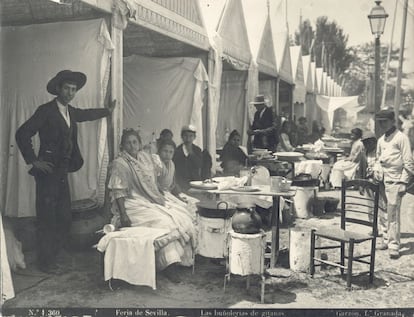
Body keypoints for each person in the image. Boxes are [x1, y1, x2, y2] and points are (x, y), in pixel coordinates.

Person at [15, 70, 116, 274]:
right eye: (67, 88)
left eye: (73, 89)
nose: (70, 93)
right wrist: (34, 161)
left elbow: (86, 115)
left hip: (61, 174)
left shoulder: (70, 111)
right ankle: (46, 262)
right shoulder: (46, 111)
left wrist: (107, 111)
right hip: (47, 174)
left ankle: (53, 255)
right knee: (47, 218)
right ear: (58, 89)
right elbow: (22, 133)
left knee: (63, 218)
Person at [108, 129, 197, 282]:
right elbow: (118, 191)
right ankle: (169, 265)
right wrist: (123, 215)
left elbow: (161, 178)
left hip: (150, 199)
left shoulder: (145, 158)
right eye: (128, 143)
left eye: (134, 142)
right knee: (165, 223)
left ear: (140, 143)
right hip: (131, 203)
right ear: (122, 146)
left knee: (181, 215)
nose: (132, 145)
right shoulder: (119, 164)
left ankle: (179, 261)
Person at [374, 108, 414, 259]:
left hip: (395, 180)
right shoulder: (381, 139)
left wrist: (404, 182)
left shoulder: (401, 138)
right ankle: (385, 239)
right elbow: (378, 158)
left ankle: (394, 245)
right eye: (380, 122)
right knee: (383, 212)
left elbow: (409, 162)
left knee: (393, 214)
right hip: (382, 179)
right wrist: (376, 170)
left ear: (392, 121)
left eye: (384, 122)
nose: (382, 125)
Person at [360, 131, 387, 236]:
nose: (366, 145)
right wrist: (361, 185)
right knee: (370, 207)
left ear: (374, 142)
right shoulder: (363, 154)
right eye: (364, 143)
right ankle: (374, 229)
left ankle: (385, 231)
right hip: (368, 183)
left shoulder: (380, 153)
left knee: (382, 206)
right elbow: (361, 170)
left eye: (368, 142)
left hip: (379, 183)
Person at [173, 125, 203, 192]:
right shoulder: (177, 150)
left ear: (194, 137)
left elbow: (199, 164)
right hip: (181, 183)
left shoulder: (197, 150)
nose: (188, 139)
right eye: (185, 136)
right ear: (182, 137)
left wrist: (191, 153)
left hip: (195, 183)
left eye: (191, 136)